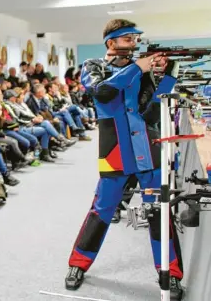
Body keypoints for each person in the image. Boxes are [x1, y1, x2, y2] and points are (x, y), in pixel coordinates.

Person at [65, 19, 184, 300]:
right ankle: (77, 264)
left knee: (159, 212)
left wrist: (168, 73)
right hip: (114, 149)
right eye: (128, 39)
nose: (134, 44)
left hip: (147, 147)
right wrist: (138, 68)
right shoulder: (93, 66)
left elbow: (153, 109)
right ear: (111, 43)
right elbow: (102, 92)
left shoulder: (140, 72)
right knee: (102, 210)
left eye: (135, 39)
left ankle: (171, 273)